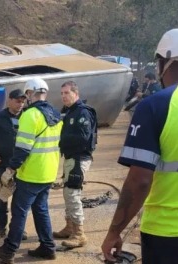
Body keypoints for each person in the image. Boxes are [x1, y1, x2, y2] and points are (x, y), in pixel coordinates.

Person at [101, 28, 178, 264]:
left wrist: (114, 232)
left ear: (164, 62)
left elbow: (140, 180)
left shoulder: (156, 106)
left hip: (167, 232)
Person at [0, 77, 63, 263]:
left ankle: (9, 249)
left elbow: (22, 148)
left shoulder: (30, 115)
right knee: (41, 209)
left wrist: (11, 169)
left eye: (26, 95)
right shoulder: (55, 114)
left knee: (19, 210)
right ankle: (48, 246)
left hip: (31, 173)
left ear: (29, 93)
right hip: (48, 171)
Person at [53, 81, 97, 248]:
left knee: (72, 193)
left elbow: (83, 138)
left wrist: (61, 140)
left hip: (79, 159)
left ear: (75, 93)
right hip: (71, 158)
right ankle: (70, 226)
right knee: (67, 192)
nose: (63, 96)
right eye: (62, 93)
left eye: (66, 93)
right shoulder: (70, 111)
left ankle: (79, 233)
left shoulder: (82, 112)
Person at [0, 89, 28, 239]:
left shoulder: (27, 116)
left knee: (19, 200)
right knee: (3, 198)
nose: (21, 104)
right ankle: (1, 228)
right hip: (4, 165)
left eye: (23, 101)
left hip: (22, 167)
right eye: (18, 101)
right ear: (9, 101)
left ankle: (18, 229)